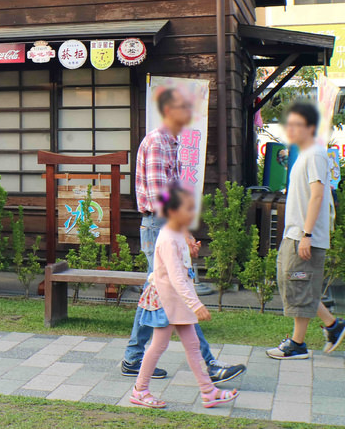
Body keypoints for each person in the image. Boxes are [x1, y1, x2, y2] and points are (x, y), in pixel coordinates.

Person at [121, 87, 245, 384]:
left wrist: (187, 235)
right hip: (158, 226)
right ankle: (209, 365)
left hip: (166, 226)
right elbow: (159, 197)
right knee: (174, 290)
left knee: (156, 292)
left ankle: (133, 358)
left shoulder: (172, 142)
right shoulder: (156, 143)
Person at [130, 186, 239, 409]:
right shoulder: (169, 237)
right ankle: (140, 390)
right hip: (166, 302)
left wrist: (190, 253)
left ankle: (209, 392)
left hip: (177, 301)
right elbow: (176, 277)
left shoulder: (178, 233)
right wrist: (196, 304)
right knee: (158, 346)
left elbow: (181, 268)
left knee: (192, 345)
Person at [266, 101, 345, 359]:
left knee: (298, 284)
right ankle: (334, 327)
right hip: (295, 233)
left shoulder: (315, 154)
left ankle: (297, 344)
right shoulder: (304, 153)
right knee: (294, 283)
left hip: (304, 235)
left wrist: (307, 235)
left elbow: (317, 196)